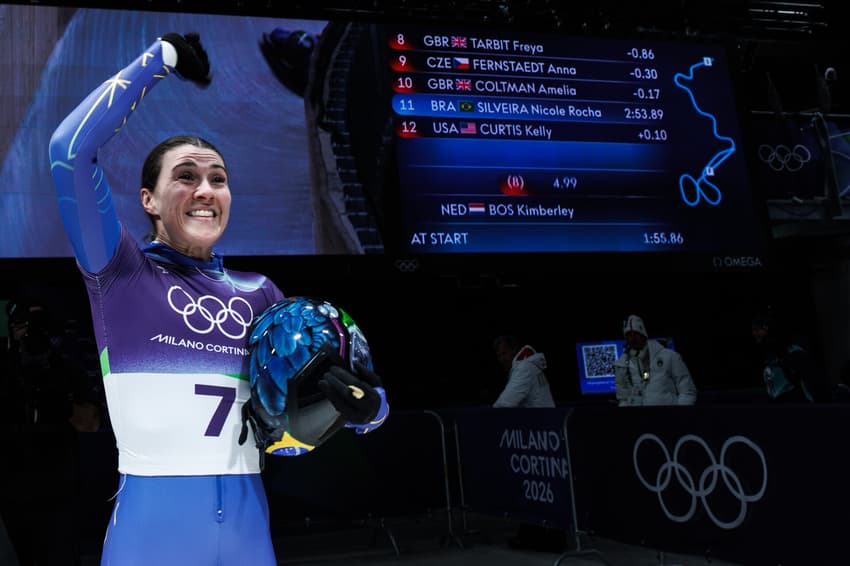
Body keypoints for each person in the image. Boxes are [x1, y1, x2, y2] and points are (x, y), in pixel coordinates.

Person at [48, 32, 388, 565]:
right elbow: (68, 152)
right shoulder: (119, 272)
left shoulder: (263, 295)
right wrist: (160, 58)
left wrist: (368, 408)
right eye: (186, 176)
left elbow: (322, 404)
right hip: (151, 538)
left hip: (249, 534)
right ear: (148, 200)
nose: (205, 189)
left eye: (218, 179)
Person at [614, 315, 697, 406]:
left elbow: (687, 391)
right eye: (629, 335)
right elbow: (623, 398)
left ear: (643, 334)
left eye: (636, 333)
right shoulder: (621, 365)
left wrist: (679, 413)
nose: (633, 338)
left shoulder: (670, 357)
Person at [751, 309, 831, 403]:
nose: (754, 333)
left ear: (766, 328)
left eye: (756, 329)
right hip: (783, 401)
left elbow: (809, 377)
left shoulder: (792, 351)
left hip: (796, 402)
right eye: (753, 330)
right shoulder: (769, 352)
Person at [492, 335, 555, 408]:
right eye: (499, 356)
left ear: (514, 350)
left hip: (543, 415)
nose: (501, 359)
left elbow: (505, 403)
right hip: (545, 414)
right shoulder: (528, 364)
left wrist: (489, 414)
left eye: (504, 353)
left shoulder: (523, 368)